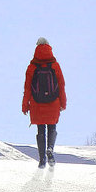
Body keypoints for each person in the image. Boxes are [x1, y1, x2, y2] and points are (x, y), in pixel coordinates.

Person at [22, 37, 66, 167]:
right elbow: (62, 85)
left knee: (41, 129)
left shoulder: (32, 67)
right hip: (53, 102)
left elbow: (27, 88)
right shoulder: (55, 65)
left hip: (37, 103)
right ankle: (50, 149)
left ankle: (42, 160)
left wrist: (25, 106)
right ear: (49, 47)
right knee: (52, 126)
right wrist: (63, 103)